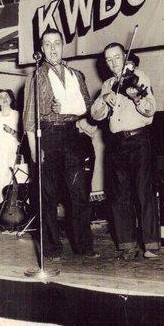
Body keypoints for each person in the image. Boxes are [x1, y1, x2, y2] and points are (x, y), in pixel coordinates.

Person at [23, 28, 97, 261]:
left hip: (72, 135)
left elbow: (86, 106)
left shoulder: (77, 75)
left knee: (79, 193)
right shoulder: (35, 76)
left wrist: (67, 107)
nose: (53, 48)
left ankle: (84, 246)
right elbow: (29, 116)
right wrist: (35, 150)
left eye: (57, 43)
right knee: (48, 196)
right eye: (48, 44)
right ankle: (52, 248)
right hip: (47, 136)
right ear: (42, 48)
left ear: (63, 46)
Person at [91, 43, 160, 260]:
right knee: (119, 195)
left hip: (139, 139)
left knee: (143, 192)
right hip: (115, 143)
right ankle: (127, 245)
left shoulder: (139, 77)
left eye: (116, 58)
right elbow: (95, 115)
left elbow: (151, 110)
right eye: (108, 60)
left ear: (124, 56)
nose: (113, 63)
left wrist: (136, 97)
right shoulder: (108, 84)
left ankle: (151, 244)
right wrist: (104, 99)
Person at [0, 89, 20, 205]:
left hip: (13, 150)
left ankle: (16, 208)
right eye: (1, 97)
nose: (4, 98)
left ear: (11, 99)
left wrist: (12, 131)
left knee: (13, 178)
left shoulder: (18, 114)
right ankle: (0, 210)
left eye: (6, 95)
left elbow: (23, 137)